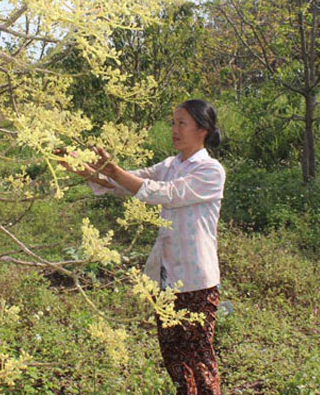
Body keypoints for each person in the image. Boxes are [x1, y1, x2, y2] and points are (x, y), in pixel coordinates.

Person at [57, 99, 225, 395]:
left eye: (181, 123)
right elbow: (128, 183)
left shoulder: (210, 171)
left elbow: (164, 193)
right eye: (172, 122)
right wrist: (81, 168)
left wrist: (114, 169)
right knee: (175, 360)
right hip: (167, 279)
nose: (174, 130)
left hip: (197, 281)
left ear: (203, 129)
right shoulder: (171, 165)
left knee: (199, 360)